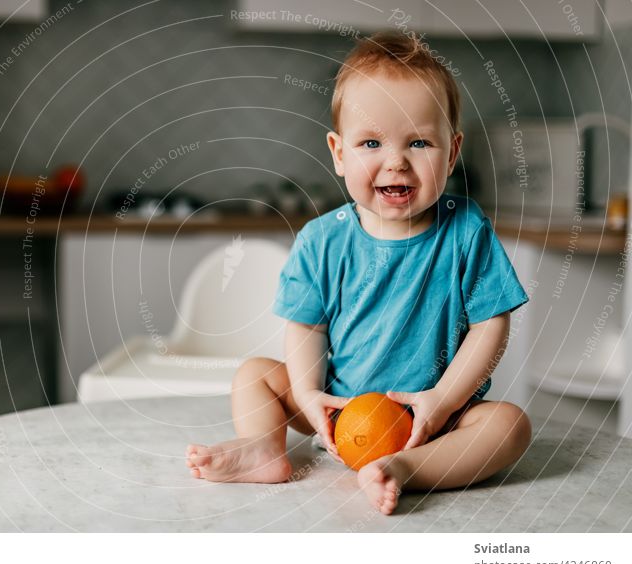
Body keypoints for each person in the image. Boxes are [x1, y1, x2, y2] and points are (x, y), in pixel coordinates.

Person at [185, 31, 532, 516]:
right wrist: (307, 397)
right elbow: (307, 326)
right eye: (371, 142)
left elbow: (491, 324)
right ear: (339, 151)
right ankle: (264, 448)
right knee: (254, 376)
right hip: (340, 409)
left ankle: (409, 469)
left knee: (510, 426)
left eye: (419, 142)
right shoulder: (322, 240)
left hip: (433, 418)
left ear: (451, 154)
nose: (396, 161)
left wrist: (445, 399)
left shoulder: (467, 231)